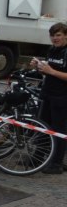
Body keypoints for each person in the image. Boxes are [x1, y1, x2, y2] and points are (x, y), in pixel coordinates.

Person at [32, 23, 67, 174]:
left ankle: (57, 163)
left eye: (58, 35)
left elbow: (58, 73)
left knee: (59, 130)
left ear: (66, 35)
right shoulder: (52, 50)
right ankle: (39, 157)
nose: (55, 38)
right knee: (42, 126)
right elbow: (48, 71)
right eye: (52, 35)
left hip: (62, 97)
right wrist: (38, 66)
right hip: (47, 93)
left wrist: (51, 71)